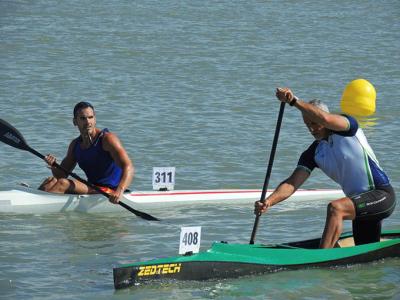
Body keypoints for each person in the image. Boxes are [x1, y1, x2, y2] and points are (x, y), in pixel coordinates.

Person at [254, 87, 396, 248]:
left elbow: (327, 119)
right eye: (307, 124)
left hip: (381, 195)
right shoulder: (313, 152)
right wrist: (268, 202)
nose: (311, 128)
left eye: (315, 123)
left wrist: (293, 100)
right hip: (359, 204)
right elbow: (292, 183)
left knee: (336, 208)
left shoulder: (347, 128)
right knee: (367, 254)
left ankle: (322, 258)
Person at [39, 101, 134, 204]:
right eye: (83, 118)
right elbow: (61, 174)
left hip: (110, 191)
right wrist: (53, 165)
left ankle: (39, 206)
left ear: (95, 119)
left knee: (63, 183)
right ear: (75, 122)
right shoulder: (75, 145)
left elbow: (129, 167)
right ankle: (33, 200)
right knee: (50, 181)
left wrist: (119, 191)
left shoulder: (107, 139)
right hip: (92, 187)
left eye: (90, 117)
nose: (88, 122)